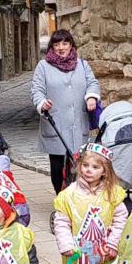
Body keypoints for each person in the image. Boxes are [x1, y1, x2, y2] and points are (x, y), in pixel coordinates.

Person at [53, 143, 128, 264]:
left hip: (106, 247)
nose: (89, 170)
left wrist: (113, 243)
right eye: (85, 165)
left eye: (95, 167)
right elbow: (62, 222)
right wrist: (66, 245)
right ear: (79, 166)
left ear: (104, 171)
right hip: (81, 249)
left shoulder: (113, 193)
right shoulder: (68, 195)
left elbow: (121, 219)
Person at [31, 29, 102, 193]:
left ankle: (80, 196)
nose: (61, 47)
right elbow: (37, 90)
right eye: (57, 44)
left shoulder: (82, 65)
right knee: (57, 166)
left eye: (65, 43)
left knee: (81, 164)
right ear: (52, 47)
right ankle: (61, 196)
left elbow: (93, 83)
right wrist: (43, 104)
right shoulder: (43, 66)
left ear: (71, 45)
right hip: (56, 123)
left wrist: (91, 97)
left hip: (78, 122)